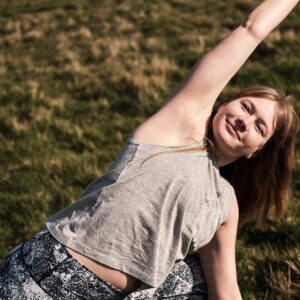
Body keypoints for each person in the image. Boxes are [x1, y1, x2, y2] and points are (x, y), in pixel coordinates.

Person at [0, 0, 299, 299]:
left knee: (195, 278)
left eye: (260, 127)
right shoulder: (180, 126)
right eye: (246, 107)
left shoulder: (225, 203)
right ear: (224, 103)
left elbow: (227, 289)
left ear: (256, 151)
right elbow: (251, 31)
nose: (245, 121)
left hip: (110, 295)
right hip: (48, 274)